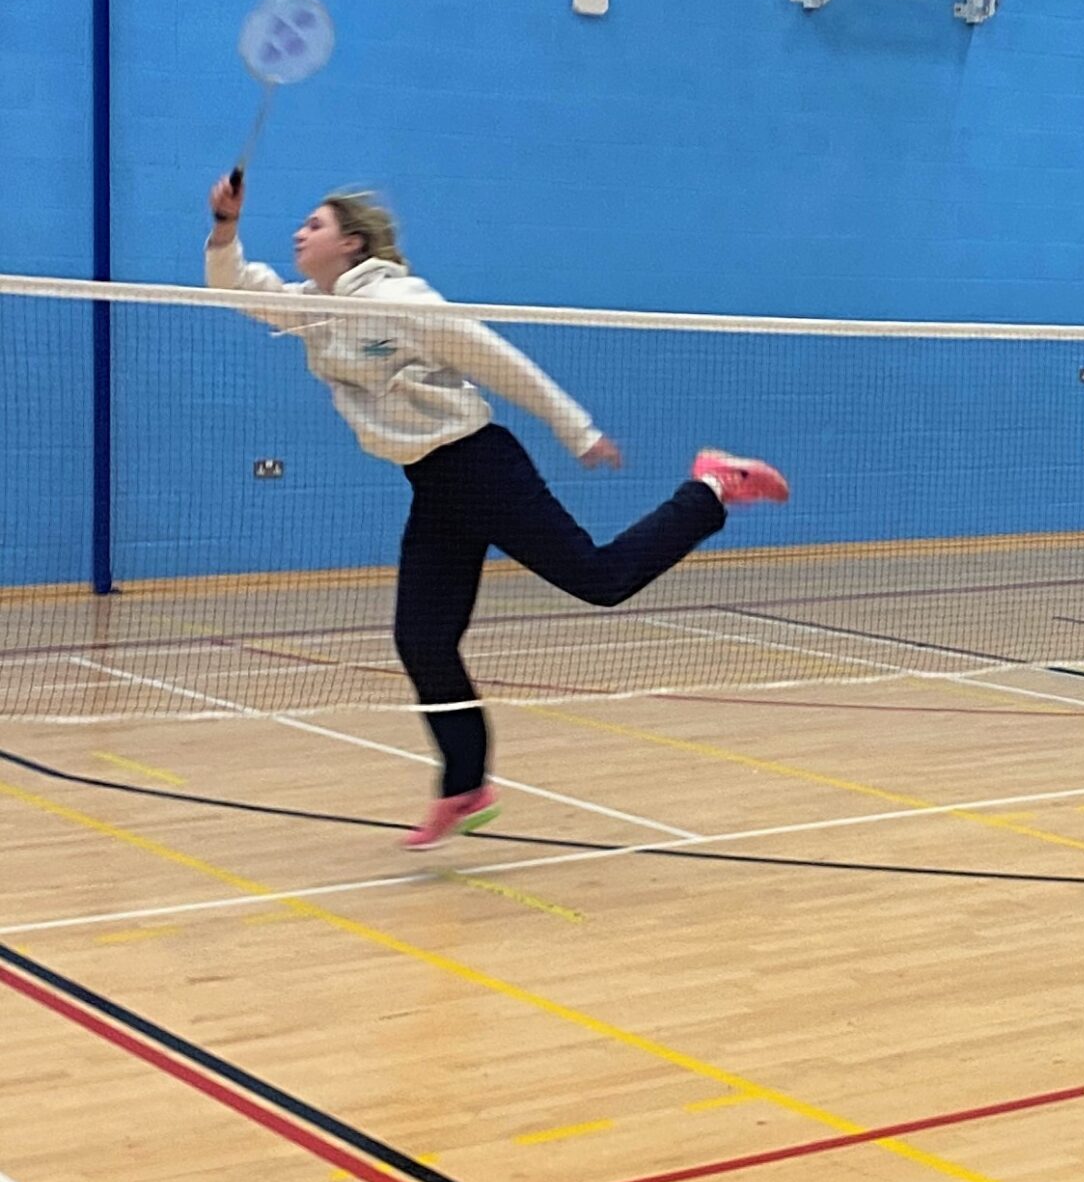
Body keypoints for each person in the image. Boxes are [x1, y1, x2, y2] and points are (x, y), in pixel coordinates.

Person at [206, 174, 789, 848]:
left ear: (352, 242)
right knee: (422, 641)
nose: (300, 234)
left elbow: (499, 362)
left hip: (480, 465)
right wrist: (224, 226)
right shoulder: (316, 309)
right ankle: (465, 787)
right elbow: (237, 286)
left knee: (600, 580)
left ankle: (711, 486)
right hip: (432, 483)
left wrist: (578, 431)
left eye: (315, 224)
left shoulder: (401, 300)